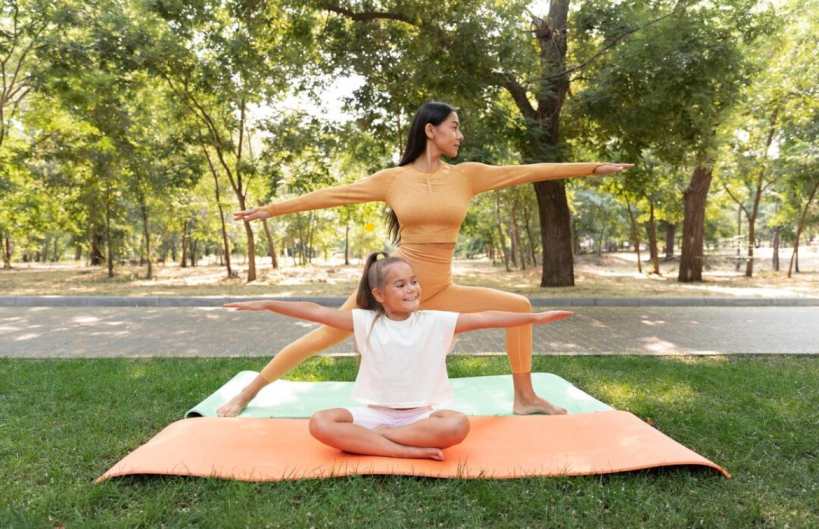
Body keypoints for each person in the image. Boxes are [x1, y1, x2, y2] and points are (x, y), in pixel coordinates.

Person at [219, 100, 633, 418]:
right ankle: (248, 392)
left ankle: (524, 397)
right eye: (455, 127)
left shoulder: (467, 175)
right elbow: (333, 195)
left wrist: (593, 168)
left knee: (518, 309)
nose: (460, 135)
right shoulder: (393, 180)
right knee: (324, 336)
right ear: (431, 131)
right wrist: (270, 210)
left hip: (441, 288)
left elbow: (529, 171)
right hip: (401, 287)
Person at [224, 252, 574, 461]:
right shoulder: (365, 321)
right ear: (379, 294)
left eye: (413, 282)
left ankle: (376, 445)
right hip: (371, 415)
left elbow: (486, 318)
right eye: (400, 285)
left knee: (457, 425)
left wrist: (534, 318)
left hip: (422, 417)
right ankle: (404, 451)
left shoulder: (437, 322)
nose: (412, 289)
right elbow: (314, 310)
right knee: (320, 422)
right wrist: (268, 303)